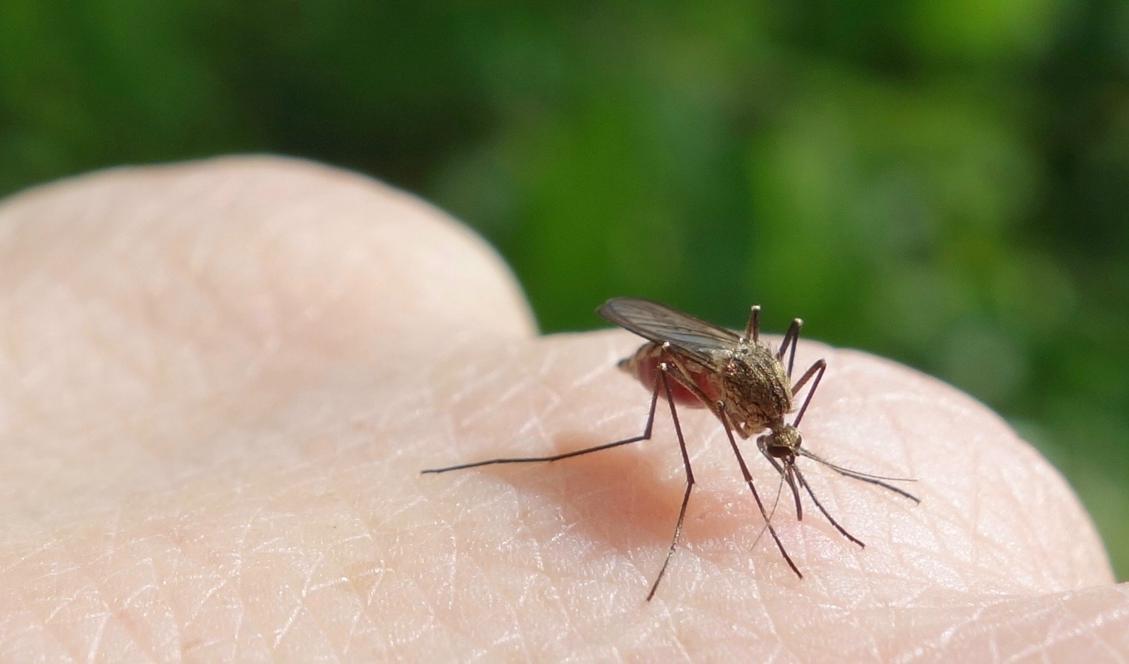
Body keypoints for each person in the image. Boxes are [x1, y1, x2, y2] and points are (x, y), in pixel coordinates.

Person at [0, 157, 1121, 660]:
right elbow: (710, 368)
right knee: (659, 440)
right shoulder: (733, 388)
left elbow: (773, 406)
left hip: (714, 365)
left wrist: (792, 467)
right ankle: (559, 472)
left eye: (786, 454)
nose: (780, 452)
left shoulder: (779, 404)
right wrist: (731, 454)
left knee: (747, 406)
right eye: (785, 455)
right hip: (670, 369)